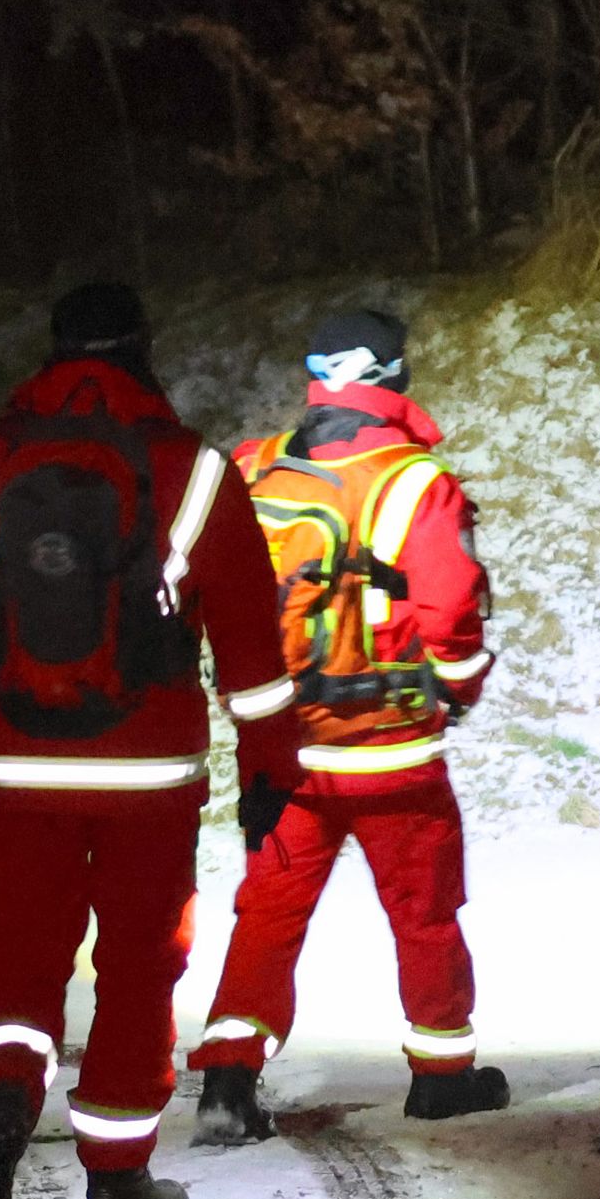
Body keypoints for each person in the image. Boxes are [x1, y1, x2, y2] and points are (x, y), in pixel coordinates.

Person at [0, 282, 305, 1199]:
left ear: (55, 350)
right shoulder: (194, 471)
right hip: (149, 771)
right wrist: (270, 766)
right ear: (143, 349)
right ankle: (117, 1180)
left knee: (20, 952)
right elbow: (250, 641)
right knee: (138, 963)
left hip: (17, 761)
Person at [185, 307, 503, 1143]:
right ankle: (441, 1076)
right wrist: (461, 686)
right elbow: (450, 610)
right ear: (393, 375)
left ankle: (227, 1079)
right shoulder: (413, 480)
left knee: (268, 915)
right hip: (390, 749)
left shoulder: (255, 468)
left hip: (283, 745)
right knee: (424, 912)